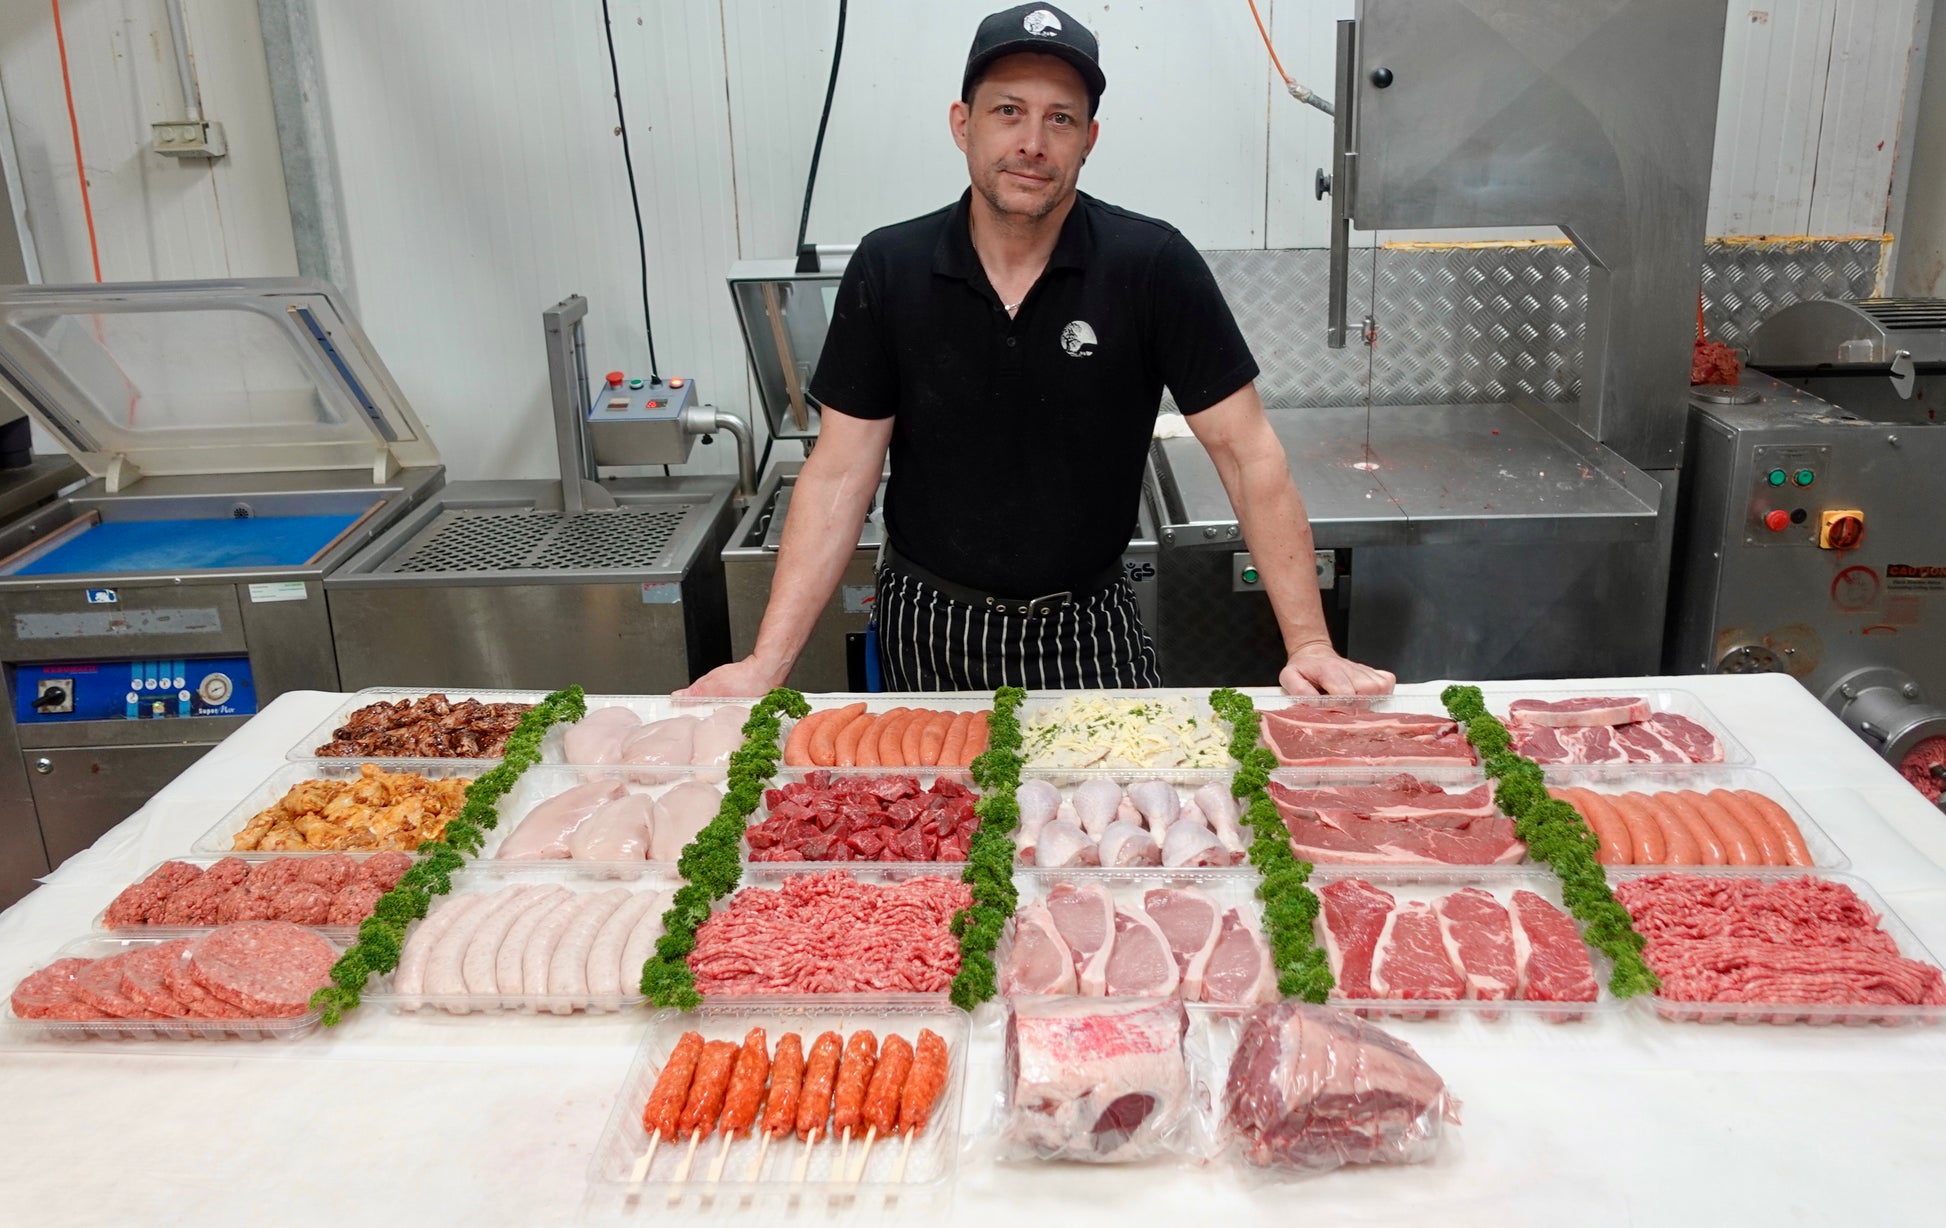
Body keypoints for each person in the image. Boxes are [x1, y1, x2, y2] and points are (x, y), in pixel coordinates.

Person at [683, 3, 1394, 698]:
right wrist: (765, 665)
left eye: (1061, 118)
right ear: (962, 125)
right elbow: (840, 475)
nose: (1033, 141)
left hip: (1089, 623)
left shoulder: (1152, 266)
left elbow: (1248, 454)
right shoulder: (889, 267)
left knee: (1119, 813)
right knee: (934, 815)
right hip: (929, 625)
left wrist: (1309, 645)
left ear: (1089, 139)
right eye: (1008, 111)